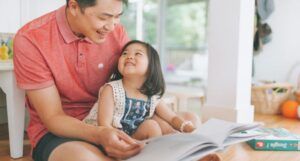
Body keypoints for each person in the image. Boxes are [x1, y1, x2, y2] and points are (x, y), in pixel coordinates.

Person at [13, 0, 220, 160]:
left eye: (117, 16)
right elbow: (53, 118)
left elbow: (133, 83)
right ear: (74, 6)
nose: (112, 26)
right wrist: (100, 134)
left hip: (120, 119)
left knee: (190, 120)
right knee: (84, 158)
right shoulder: (31, 40)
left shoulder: (116, 32)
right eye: (104, 17)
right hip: (64, 131)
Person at [83, 40, 196, 140]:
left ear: (151, 66)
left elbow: (172, 118)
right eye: (125, 53)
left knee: (152, 126)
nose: (129, 56)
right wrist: (123, 143)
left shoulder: (152, 96)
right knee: (153, 126)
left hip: (133, 137)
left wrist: (186, 127)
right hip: (109, 137)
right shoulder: (111, 89)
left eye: (138, 54)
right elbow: (104, 125)